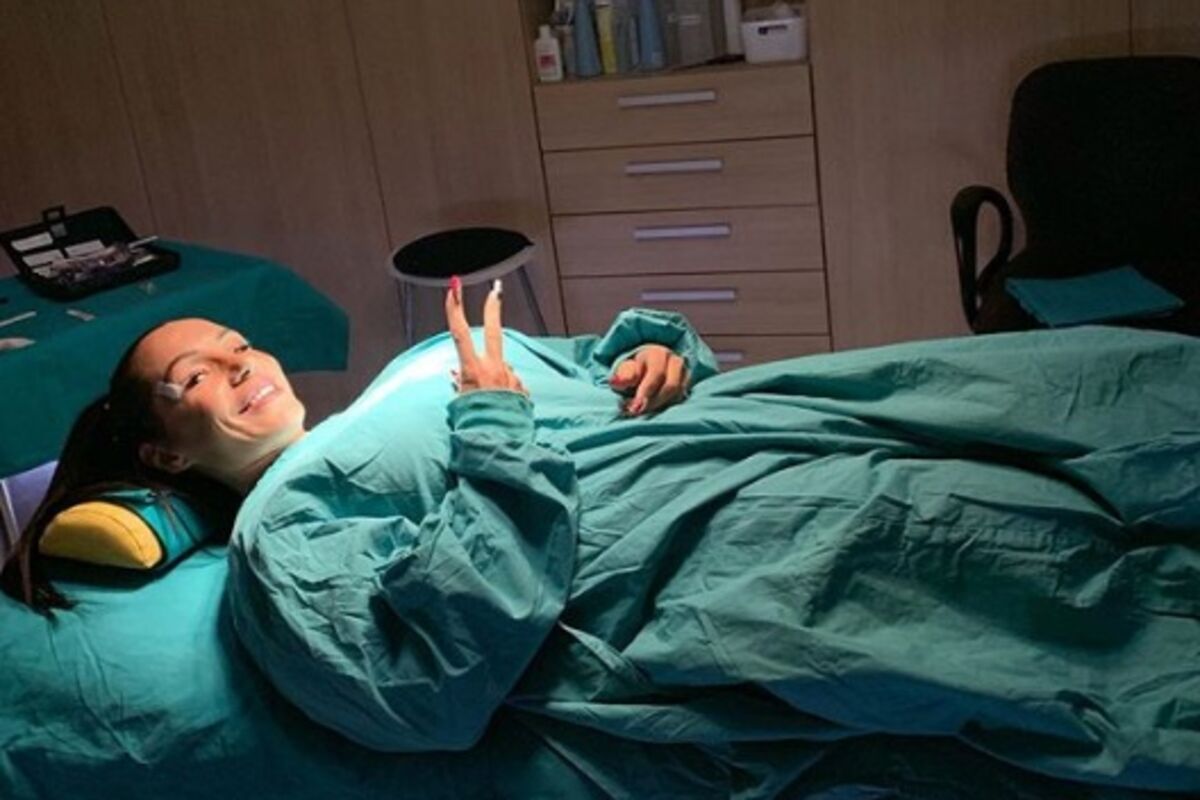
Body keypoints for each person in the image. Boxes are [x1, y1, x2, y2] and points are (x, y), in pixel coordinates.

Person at [3, 280, 1198, 795]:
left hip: (733, 430)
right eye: (194, 378)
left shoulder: (409, 367)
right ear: (166, 453)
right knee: (970, 537)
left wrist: (656, 354)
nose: (239, 365)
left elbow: (596, 363)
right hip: (683, 540)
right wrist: (493, 430)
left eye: (235, 346)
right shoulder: (283, 530)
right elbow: (423, 685)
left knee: (1059, 386)